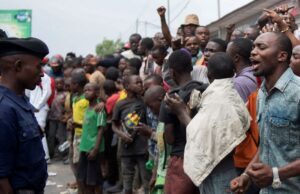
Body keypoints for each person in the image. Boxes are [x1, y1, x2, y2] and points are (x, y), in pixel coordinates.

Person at [165, 52, 251, 193]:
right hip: (224, 165)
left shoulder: (217, 98)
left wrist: (180, 111)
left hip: (220, 167)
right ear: (234, 72)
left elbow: (200, 135)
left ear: (208, 75)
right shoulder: (229, 93)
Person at [231, 32, 300, 194]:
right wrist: (247, 175)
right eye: (253, 47)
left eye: (261, 47)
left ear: (282, 56)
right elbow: (267, 144)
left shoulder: (297, 93)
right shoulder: (261, 94)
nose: (253, 52)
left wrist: (276, 174)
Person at [0, 37, 49, 193]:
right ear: (19, 66)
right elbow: (1, 180)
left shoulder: (21, 102)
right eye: (38, 67)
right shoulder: (4, 109)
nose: (42, 73)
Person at [159, 50, 207, 194]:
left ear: (172, 72)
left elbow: (170, 138)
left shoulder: (170, 98)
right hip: (207, 157)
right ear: (191, 68)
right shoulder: (206, 90)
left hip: (182, 158)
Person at [112, 74, 150, 194]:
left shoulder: (145, 101)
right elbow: (114, 125)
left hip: (142, 147)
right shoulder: (120, 104)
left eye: (141, 82)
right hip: (126, 147)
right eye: (137, 83)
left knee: (146, 180)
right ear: (127, 86)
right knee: (127, 180)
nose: (140, 85)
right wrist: (122, 135)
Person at [137, 86, 169, 194]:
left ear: (160, 99)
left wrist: (151, 133)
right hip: (161, 171)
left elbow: (169, 142)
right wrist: (155, 173)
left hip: (169, 172)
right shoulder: (161, 119)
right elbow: (160, 150)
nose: (150, 110)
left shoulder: (171, 117)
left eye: (151, 106)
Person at [77, 83, 106, 194]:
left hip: (93, 148)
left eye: (89, 90)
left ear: (97, 93)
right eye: (85, 90)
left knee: (95, 180)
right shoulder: (88, 107)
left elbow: (100, 130)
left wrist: (95, 149)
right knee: (86, 179)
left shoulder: (99, 109)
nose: (86, 92)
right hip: (84, 147)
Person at [70, 68, 89, 192]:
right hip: (76, 134)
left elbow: (89, 120)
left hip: (84, 135)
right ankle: (80, 186)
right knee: (75, 162)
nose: (70, 85)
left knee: (81, 165)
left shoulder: (86, 100)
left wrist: (77, 124)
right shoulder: (75, 98)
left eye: (72, 83)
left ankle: (84, 189)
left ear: (77, 85)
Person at [226, 38, 257, 102]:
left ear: (236, 58)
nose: (225, 58)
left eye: (227, 55)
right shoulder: (257, 74)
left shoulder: (238, 83)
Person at [47, 77, 67, 159]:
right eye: (57, 83)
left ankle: (63, 154)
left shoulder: (65, 95)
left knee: (61, 136)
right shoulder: (53, 93)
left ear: (63, 84)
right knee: (51, 136)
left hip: (60, 119)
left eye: (60, 83)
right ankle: (51, 153)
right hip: (52, 118)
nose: (58, 85)